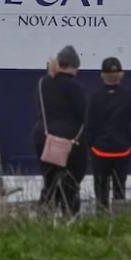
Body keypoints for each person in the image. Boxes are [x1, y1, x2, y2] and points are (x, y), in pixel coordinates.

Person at [33, 45, 88, 214]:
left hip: (44, 137)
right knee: (70, 184)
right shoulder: (74, 87)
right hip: (70, 141)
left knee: (49, 182)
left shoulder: (43, 82)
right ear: (73, 65)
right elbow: (84, 114)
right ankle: (69, 217)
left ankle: (44, 216)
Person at [86, 57, 131, 212]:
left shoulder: (95, 97)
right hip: (122, 150)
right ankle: (119, 220)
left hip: (100, 151)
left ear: (102, 75)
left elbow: (90, 125)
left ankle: (100, 218)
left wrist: (92, 145)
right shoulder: (129, 96)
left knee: (101, 190)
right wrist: (130, 143)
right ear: (121, 75)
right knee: (119, 189)